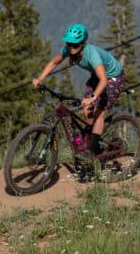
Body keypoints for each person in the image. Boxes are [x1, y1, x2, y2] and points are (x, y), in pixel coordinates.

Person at [32, 23, 125, 160]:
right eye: (69, 43)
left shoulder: (91, 53)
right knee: (87, 110)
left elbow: (104, 80)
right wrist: (40, 78)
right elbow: (53, 62)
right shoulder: (68, 50)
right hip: (97, 77)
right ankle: (95, 140)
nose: (71, 47)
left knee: (99, 112)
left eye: (75, 45)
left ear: (83, 44)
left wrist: (93, 97)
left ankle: (92, 151)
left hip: (113, 77)